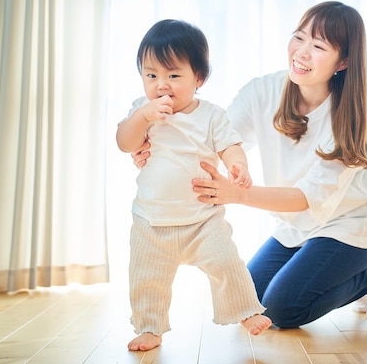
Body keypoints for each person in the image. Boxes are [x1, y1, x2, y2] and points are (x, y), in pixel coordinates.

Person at [133, 1, 367, 329]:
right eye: (298, 38)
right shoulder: (263, 91)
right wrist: (150, 148)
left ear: (343, 61)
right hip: (295, 227)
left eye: (317, 46)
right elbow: (211, 140)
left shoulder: (349, 120)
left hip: (349, 225)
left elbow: (306, 197)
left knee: (284, 310)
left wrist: (238, 194)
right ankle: (348, 273)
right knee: (251, 299)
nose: (301, 52)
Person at [116, 19, 272, 351]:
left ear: (198, 78)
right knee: (147, 280)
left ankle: (246, 310)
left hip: (203, 219)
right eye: (151, 75)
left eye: (173, 75)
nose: (161, 85)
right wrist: (143, 117)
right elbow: (125, 143)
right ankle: (149, 327)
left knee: (228, 264)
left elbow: (230, 145)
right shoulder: (142, 113)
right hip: (151, 221)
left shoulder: (211, 116)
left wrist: (237, 166)